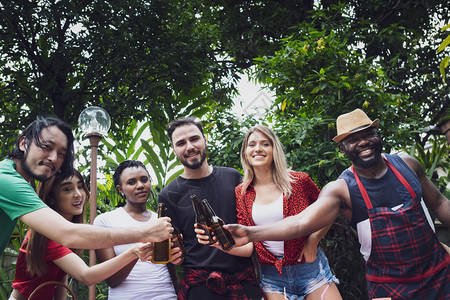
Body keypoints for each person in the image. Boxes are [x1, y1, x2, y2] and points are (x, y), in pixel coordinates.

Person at [226, 109, 450, 299]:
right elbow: (302, 221)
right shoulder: (341, 189)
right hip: (389, 286)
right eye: (352, 139)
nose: (363, 142)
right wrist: (250, 233)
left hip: (440, 274)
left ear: (377, 135)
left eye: (367, 134)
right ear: (342, 149)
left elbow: (440, 204)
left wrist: (311, 242)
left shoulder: (407, 164)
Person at [197, 125, 341, 300]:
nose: (258, 148)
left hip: (310, 269)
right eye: (252, 145)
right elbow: (249, 246)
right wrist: (219, 243)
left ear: (274, 150)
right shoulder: (242, 193)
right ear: (245, 153)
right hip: (273, 278)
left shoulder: (298, 182)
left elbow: (329, 210)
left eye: (265, 144)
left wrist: (314, 239)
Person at [0, 116, 172, 254]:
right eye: (46, 147)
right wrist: (145, 233)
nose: (53, 158)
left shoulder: (22, 182)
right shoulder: (7, 180)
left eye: (61, 154)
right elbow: (68, 234)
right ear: (23, 143)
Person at [158, 117, 264, 300]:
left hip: (243, 280)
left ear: (205, 140)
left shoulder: (233, 177)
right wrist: (174, 256)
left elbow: (251, 227)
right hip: (200, 286)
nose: (189, 146)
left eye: (194, 139)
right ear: (174, 149)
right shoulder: (168, 195)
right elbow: (174, 250)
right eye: (181, 143)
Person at [10, 169, 155, 300]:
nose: (78, 194)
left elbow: (61, 280)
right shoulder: (49, 235)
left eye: (80, 186)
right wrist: (134, 251)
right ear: (51, 198)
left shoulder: (65, 230)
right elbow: (87, 276)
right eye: (67, 189)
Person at [94, 160, 179, 300]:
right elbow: (112, 280)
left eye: (144, 180)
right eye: (131, 182)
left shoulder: (162, 220)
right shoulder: (105, 221)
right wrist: (137, 252)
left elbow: (171, 270)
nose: (140, 185)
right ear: (120, 189)